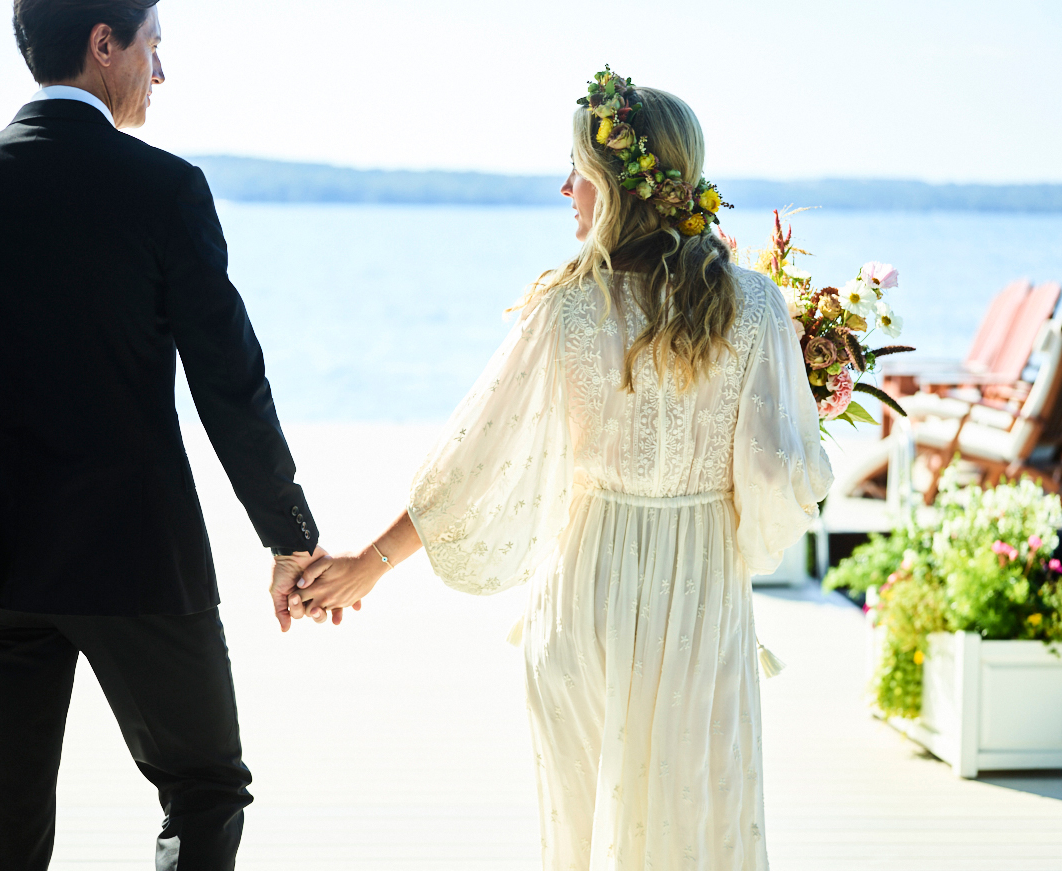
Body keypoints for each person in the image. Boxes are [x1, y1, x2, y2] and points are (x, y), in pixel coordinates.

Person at [295, 70, 833, 869]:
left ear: (618, 187)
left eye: (577, 169)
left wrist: (366, 565)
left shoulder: (565, 307)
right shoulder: (753, 305)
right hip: (700, 596)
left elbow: (472, 464)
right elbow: (786, 475)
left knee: (582, 834)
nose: (563, 188)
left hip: (587, 591)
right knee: (705, 820)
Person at [0, 2, 333, 868]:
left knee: (7, 827)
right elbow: (230, 385)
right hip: (138, 555)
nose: (159, 73)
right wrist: (289, 535)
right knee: (206, 786)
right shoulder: (164, 189)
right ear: (106, 45)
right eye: (154, 48)